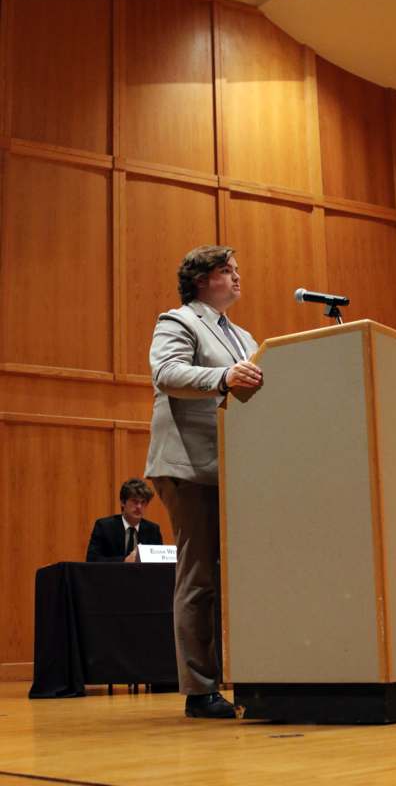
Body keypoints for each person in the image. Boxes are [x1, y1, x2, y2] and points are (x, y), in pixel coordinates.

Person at [145, 244, 262, 719]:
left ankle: (252, 674)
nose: (237, 277)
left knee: (238, 578)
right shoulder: (178, 321)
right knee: (199, 578)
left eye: (237, 269)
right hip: (190, 468)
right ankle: (199, 689)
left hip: (238, 470)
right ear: (200, 279)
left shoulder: (246, 335)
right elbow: (166, 373)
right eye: (226, 271)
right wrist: (223, 377)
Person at [86, 478, 162, 562]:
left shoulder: (153, 530)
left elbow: (160, 562)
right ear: (122, 502)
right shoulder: (104, 527)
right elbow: (92, 560)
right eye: (134, 501)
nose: (139, 507)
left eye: (143, 502)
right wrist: (124, 560)